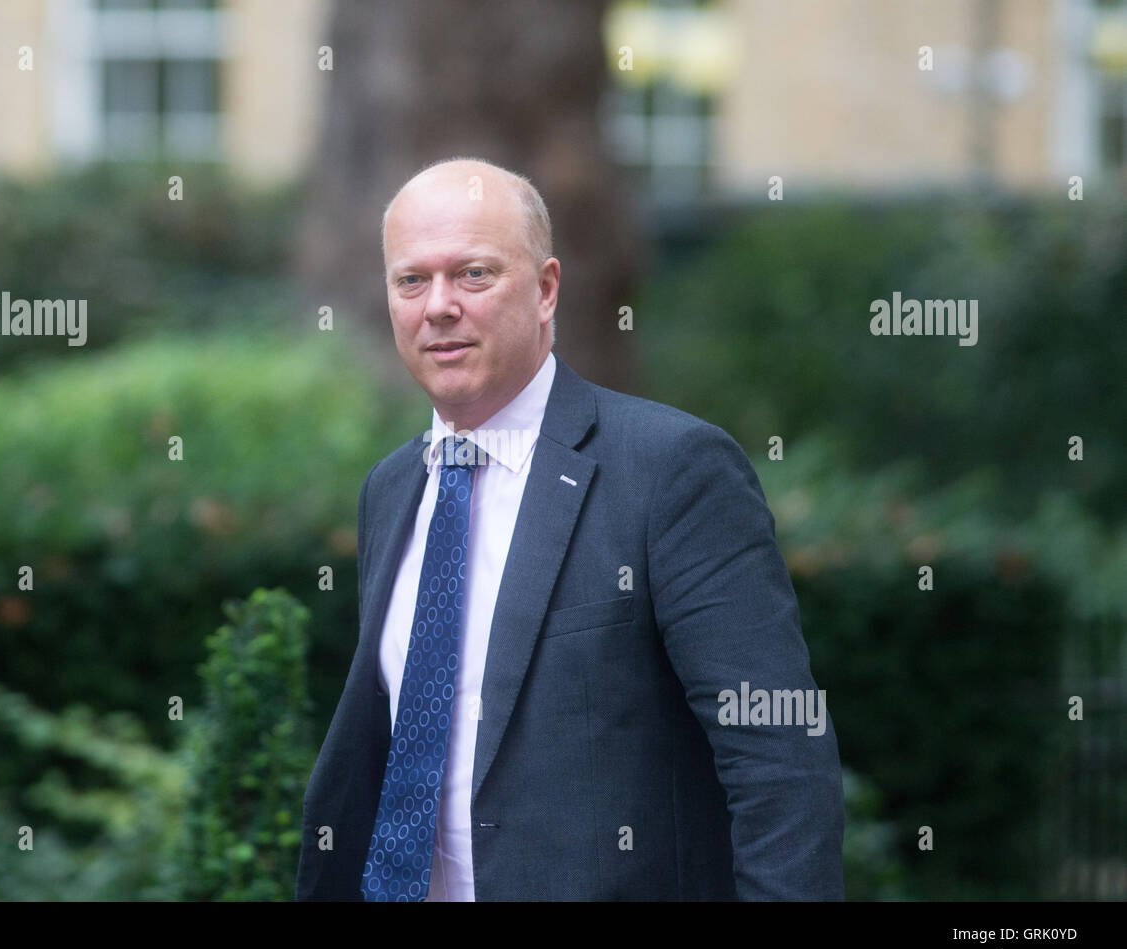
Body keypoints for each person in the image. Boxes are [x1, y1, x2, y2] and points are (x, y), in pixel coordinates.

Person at [295, 157, 844, 901]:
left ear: (547, 288)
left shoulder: (671, 470)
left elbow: (779, 755)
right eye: (411, 280)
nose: (439, 306)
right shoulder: (392, 489)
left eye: (475, 274)